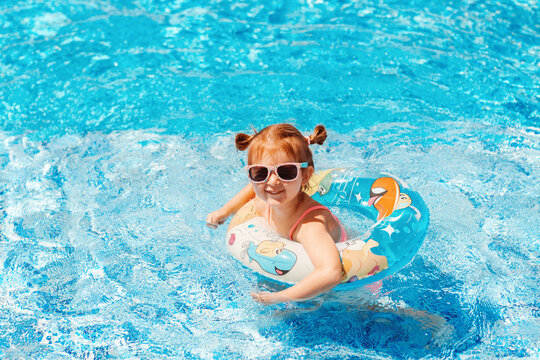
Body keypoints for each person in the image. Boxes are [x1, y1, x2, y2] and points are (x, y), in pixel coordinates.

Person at [206, 124, 344, 304]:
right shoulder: (265, 201)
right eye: (260, 172)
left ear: (305, 176)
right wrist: (224, 211)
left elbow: (330, 272)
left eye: (286, 172)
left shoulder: (310, 226)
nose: (272, 182)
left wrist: (281, 297)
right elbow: (253, 190)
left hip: (345, 284)